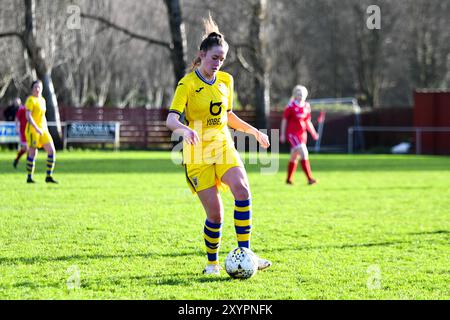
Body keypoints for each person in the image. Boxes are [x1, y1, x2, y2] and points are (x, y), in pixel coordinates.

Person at [166, 15, 272, 275]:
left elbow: (228, 116)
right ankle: (212, 263)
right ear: (202, 55)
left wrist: (254, 132)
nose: (218, 63)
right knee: (216, 215)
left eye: (222, 59)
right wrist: (185, 129)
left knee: (243, 190)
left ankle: (245, 253)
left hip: (223, 145)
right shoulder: (187, 84)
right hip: (198, 152)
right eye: (215, 58)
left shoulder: (226, 81)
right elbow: (170, 119)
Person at [280, 85, 319, 185]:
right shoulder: (290, 106)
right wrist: (282, 134)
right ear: (295, 95)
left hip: (302, 135)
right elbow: (284, 120)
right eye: (299, 94)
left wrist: (313, 133)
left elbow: (307, 122)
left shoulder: (306, 106)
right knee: (304, 152)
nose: (301, 96)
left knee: (294, 156)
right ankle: (310, 179)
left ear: (306, 95)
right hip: (292, 134)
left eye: (303, 94)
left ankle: (288, 180)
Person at [24, 80, 58, 184]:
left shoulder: (42, 100)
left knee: (52, 151)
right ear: (32, 89)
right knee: (33, 153)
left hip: (43, 130)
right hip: (33, 130)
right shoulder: (30, 100)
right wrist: (36, 127)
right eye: (35, 87)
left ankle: (48, 176)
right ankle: (29, 177)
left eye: (39, 87)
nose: (37, 89)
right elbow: (28, 116)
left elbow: (43, 116)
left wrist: (45, 128)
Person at [13, 98, 28, 168]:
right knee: (27, 148)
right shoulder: (22, 109)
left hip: (30, 131)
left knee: (26, 149)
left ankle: (17, 159)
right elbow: (16, 119)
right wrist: (16, 128)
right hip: (23, 131)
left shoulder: (31, 109)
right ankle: (30, 164)